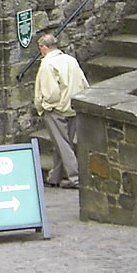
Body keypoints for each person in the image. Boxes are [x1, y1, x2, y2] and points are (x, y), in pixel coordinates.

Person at [32, 33, 89, 189]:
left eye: (40, 48)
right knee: (63, 143)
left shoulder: (47, 65)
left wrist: (43, 105)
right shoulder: (71, 60)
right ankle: (54, 177)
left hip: (56, 109)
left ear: (44, 47)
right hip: (73, 107)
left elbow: (50, 93)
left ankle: (75, 178)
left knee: (63, 145)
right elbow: (84, 83)